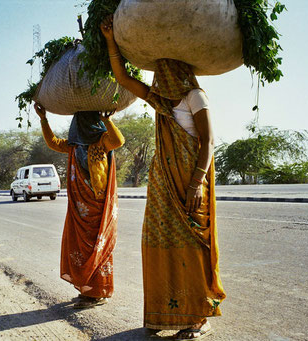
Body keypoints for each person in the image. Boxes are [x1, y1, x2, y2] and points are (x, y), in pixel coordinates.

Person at [100, 15, 226, 340]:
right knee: (158, 243)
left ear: (176, 73)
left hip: (190, 184)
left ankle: (198, 319)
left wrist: (197, 182)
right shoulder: (160, 101)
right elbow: (122, 78)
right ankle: (166, 313)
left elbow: (209, 141)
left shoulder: (195, 96)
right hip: (163, 185)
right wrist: (111, 40)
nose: (160, 79)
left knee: (190, 247)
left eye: (164, 72)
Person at [34, 103, 124, 309]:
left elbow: (118, 141)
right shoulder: (73, 146)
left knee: (98, 247)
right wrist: (43, 119)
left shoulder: (102, 141)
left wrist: (107, 120)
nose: (78, 126)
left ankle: (99, 292)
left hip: (97, 207)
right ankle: (87, 290)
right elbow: (53, 142)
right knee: (82, 249)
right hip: (80, 207)